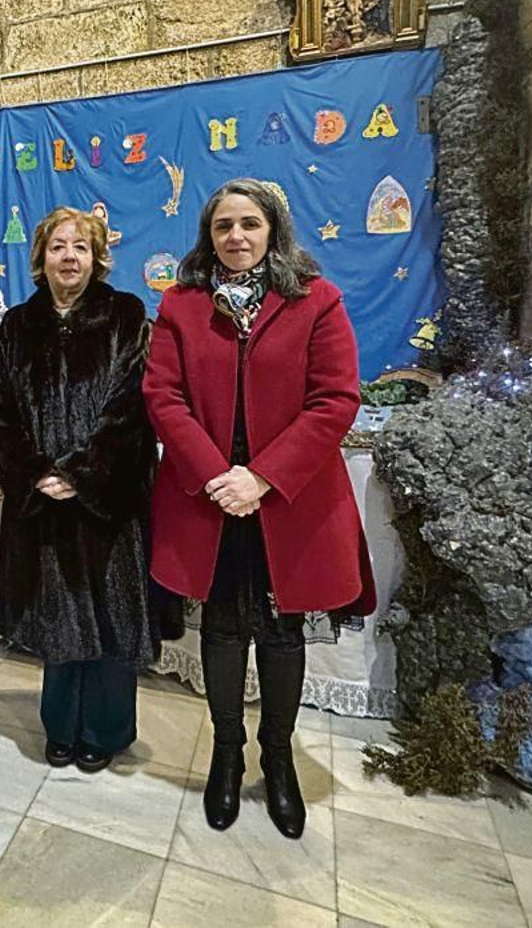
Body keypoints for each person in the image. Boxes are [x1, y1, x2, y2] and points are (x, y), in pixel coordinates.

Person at [143, 178, 373, 840]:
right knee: (220, 629)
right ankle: (225, 752)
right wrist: (218, 474)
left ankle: (277, 759)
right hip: (210, 499)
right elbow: (163, 395)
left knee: (279, 633)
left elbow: (336, 399)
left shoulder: (317, 301)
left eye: (250, 224)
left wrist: (263, 477)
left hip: (288, 502)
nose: (237, 237)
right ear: (207, 236)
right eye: (223, 227)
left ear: (274, 230)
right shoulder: (181, 306)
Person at [0, 208, 159, 772]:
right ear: (40, 258)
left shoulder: (126, 315)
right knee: (57, 617)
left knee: (111, 617)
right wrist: (38, 472)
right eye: (57, 246)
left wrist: (82, 474)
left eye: (80, 247)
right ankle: (61, 726)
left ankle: (106, 729)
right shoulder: (17, 325)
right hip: (43, 499)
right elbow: (4, 413)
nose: (68, 256)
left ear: (97, 257)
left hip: (107, 499)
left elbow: (132, 407)